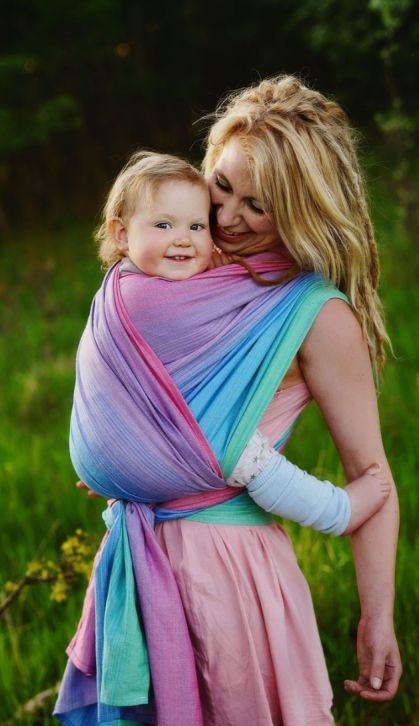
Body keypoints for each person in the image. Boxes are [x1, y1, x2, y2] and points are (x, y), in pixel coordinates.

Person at [55, 76, 401, 726]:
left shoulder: (310, 312)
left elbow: (373, 476)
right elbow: (134, 396)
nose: (231, 218)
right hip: (140, 558)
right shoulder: (172, 265)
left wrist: (376, 618)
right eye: (222, 188)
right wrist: (131, 462)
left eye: (260, 204)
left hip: (229, 572)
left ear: (301, 207)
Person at [97, 148, 391, 537]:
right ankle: (335, 512)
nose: (183, 240)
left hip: (146, 455)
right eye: (164, 226)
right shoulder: (135, 297)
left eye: (197, 227)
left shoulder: (131, 282)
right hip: (186, 442)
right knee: (244, 454)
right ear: (121, 233)